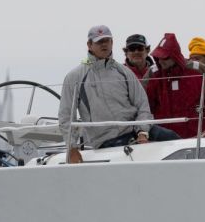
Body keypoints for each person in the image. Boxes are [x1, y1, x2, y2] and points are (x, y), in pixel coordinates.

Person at [58, 25, 179, 164]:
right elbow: (66, 116)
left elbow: (142, 104)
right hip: (106, 140)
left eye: (107, 40)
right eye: (99, 41)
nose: (104, 44)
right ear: (89, 45)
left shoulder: (124, 72)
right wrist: (72, 148)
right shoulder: (75, 77)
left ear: (112, 42)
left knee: (175, 141)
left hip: (136, 131)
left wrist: (142, 132)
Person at [145, 33, 205, 139]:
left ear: (174, 56)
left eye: (164, 57)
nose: (161, 61)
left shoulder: (197, 70)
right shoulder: (153, 74)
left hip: (196, 136)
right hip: (163, 140)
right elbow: (141, 102)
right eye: (158, 57)